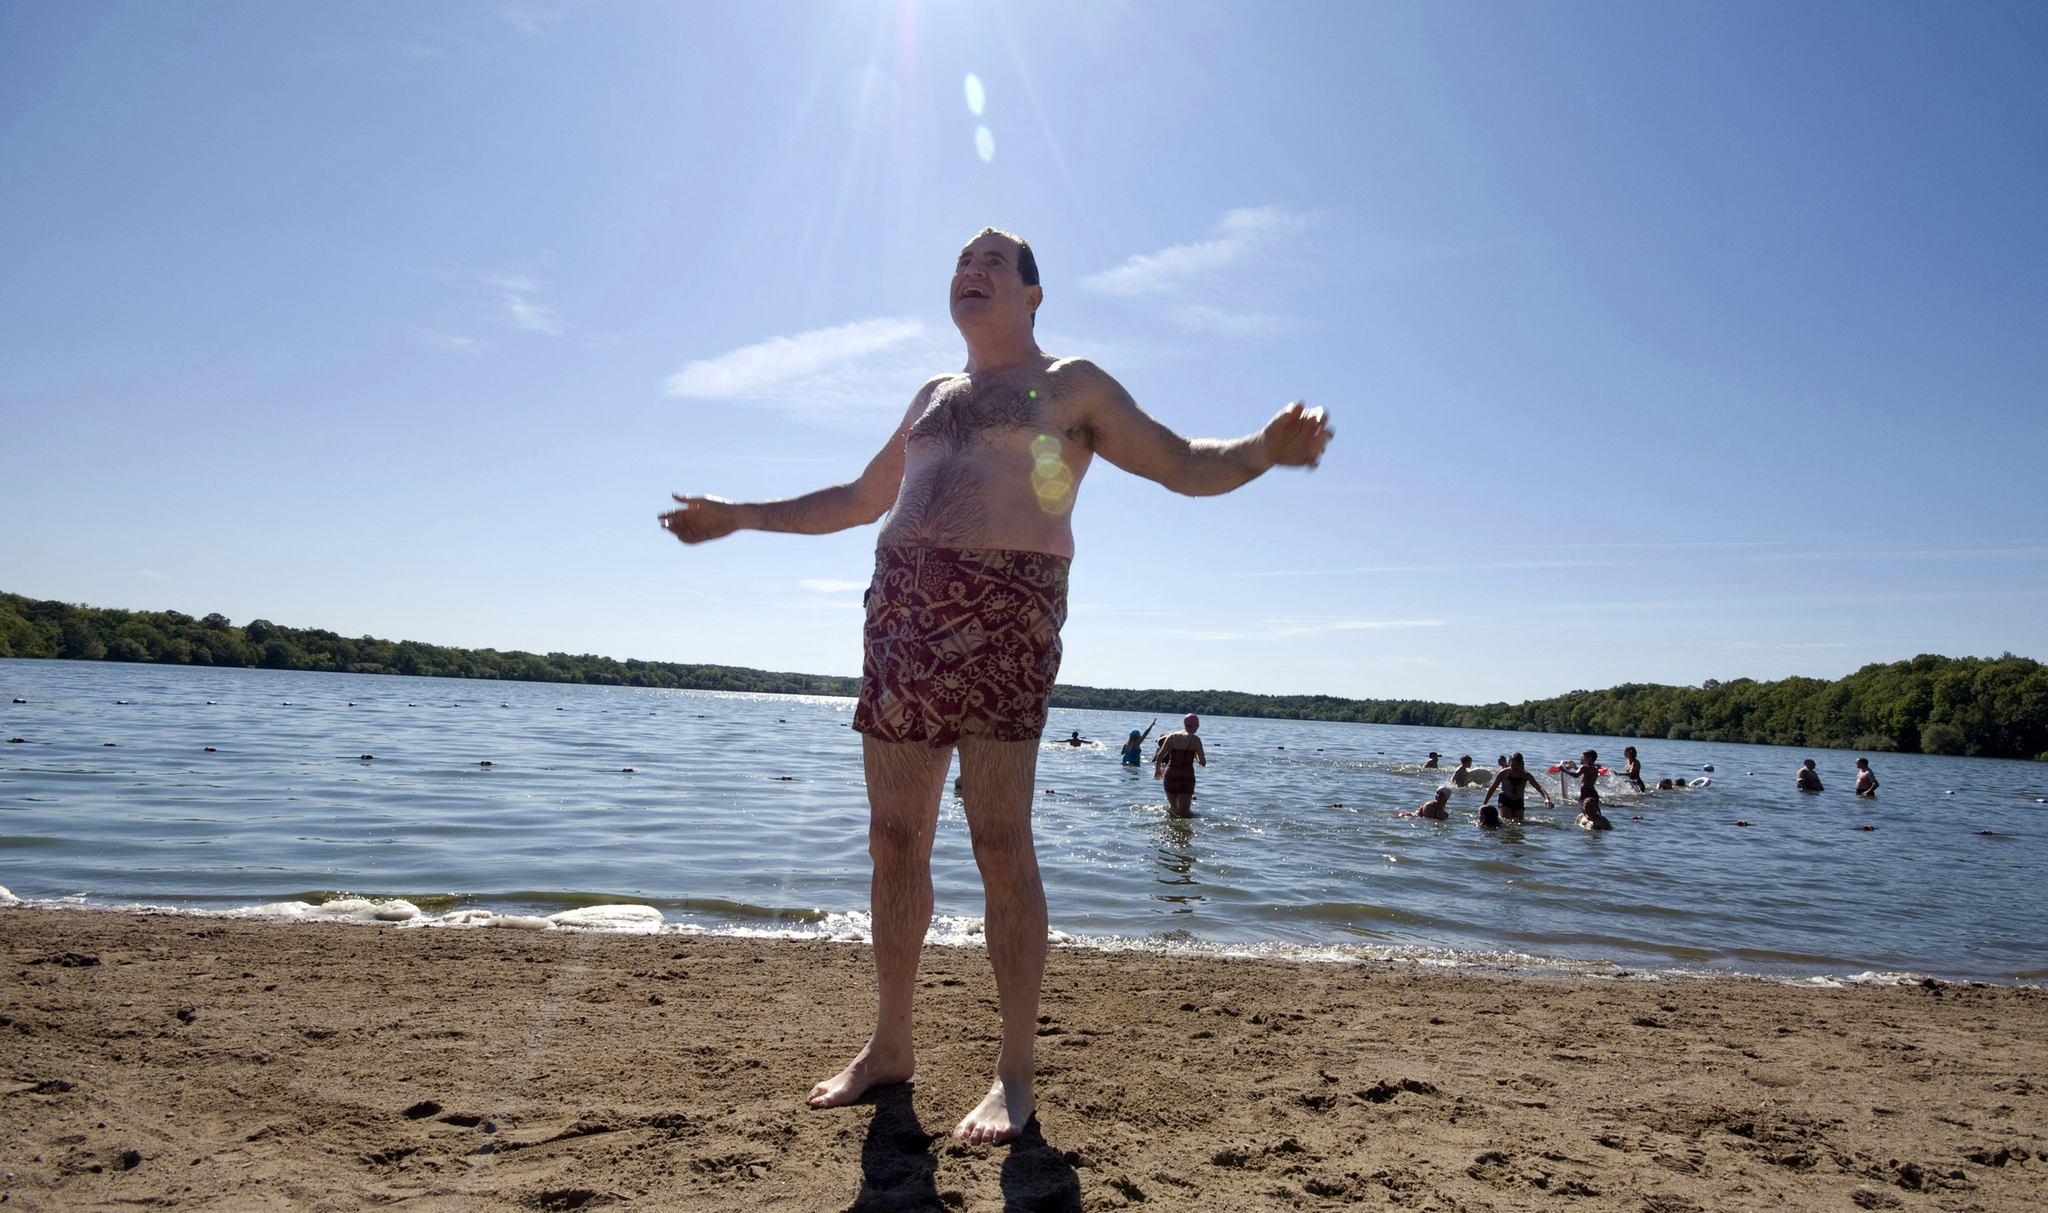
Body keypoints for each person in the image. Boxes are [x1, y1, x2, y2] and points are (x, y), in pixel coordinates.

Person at [658, 227, 1332, 1143]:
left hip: (1008, 610)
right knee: (894, 840)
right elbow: (859, 501)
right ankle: (890, 1045)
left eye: (992, 261)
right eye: (959, 261)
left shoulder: (1072, 385)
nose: (969, 270)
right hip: (901, 614)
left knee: (1000, 844)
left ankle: (1013, 1074)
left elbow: (1182, 462)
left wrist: (1261, 447)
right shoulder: (932, 395)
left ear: (1033, 294)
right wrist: (738, 516)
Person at [1155, 713, 1208, 818]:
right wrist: (1195, 755)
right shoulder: (1195, 740)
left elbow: (1160, 756)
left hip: (1170, 775)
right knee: (1184, 813)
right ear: (1195, 726)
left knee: (1173, 810)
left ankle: (1171, 831)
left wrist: (1157, 771)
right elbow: (1203, 763)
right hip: (1185, 776)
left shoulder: (1171, 736)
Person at [1480, 752, 1555, 822]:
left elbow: (1539, 787)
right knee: (1507, 822)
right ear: (1509, 763)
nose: (1515, 768)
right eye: (1513, 765)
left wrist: (1547, 798)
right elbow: (1492, 788)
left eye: (1518, 766)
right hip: (1505, 800)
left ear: (1521, 764)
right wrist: (1484, 803)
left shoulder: (1526, 775)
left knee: (1519, 823)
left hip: (1518, 801)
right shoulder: (1503, 773)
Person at [1576, 749, 1612, 829]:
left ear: (1590, 758)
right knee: (1596, 810)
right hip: (1593, 791)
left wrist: (1563, 769)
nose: (1582, 758)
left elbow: (1575, 775)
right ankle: (1598, 824)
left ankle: (1590, 825)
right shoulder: (1594, 768)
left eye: (1584, 757)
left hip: (1585, 791)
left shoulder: (1584, 767)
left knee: (1585, 809)